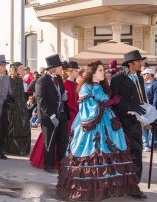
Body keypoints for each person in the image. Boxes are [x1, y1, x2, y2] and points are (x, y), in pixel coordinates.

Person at [57, 60, 142, 201]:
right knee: (93, 154)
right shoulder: (86, 87)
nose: (104, 73)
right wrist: (107, 103)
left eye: (104, 70)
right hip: (91, 125)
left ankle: (108, 187)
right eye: (101, 70)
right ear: (93, 73)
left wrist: (111, 102)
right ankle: (91, 188)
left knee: (111, 152)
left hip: (107, 122)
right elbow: (87, 107)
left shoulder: (101, 86)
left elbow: (103, 100)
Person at [110, 50, 148, 184]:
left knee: (137, 150)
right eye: (138, 61)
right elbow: (113, 100)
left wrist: (149, 117)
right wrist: (131, 106)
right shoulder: (117, 78)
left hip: (136, 121)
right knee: (121, 152)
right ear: (130, 64)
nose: (140, 63)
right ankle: (120, 181)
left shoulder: (140, 78)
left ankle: (134, 183)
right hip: (122, 121)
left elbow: (143, 100)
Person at [35, 54, 69, 173]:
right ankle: (48, 164)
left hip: (61, 114)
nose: (61, 68)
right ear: (54, 67)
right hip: (49, 117)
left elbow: (59, 93)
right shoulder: (41, 80)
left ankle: (61, 163)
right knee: (49, 141)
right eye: (60, 66)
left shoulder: (59, 78)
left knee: (62, 140)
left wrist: (64, 96)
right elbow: (41, 101)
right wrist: (52, 115)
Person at [4, 65, 31, 155]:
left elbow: (22, 94)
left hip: (21, 107)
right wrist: (12, 105)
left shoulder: (20, 79)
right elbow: (9, 94)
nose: (22, 70)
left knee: (22, 127)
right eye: (20, 68)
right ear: (15, 69)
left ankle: (22, 148)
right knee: (14, 127)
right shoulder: (9, 79)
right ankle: (13, 148)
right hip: (13, 107)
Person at [142, 67, 157, 152]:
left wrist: (153, 109)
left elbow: (156, 98)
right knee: (144, 127)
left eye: (144, 74)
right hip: (144, 109)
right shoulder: (143, 84)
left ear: (149, 74)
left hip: (152, 109)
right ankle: (146, 145)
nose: (143, 75)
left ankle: (152, 143)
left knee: (152, 127)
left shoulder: (155, 84)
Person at [63, 61, 79, 137]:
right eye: (76, 71)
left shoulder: (77, 84)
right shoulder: (64, 83)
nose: (78, 72)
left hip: (77, 113)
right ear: (70, 71)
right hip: (68, 114)